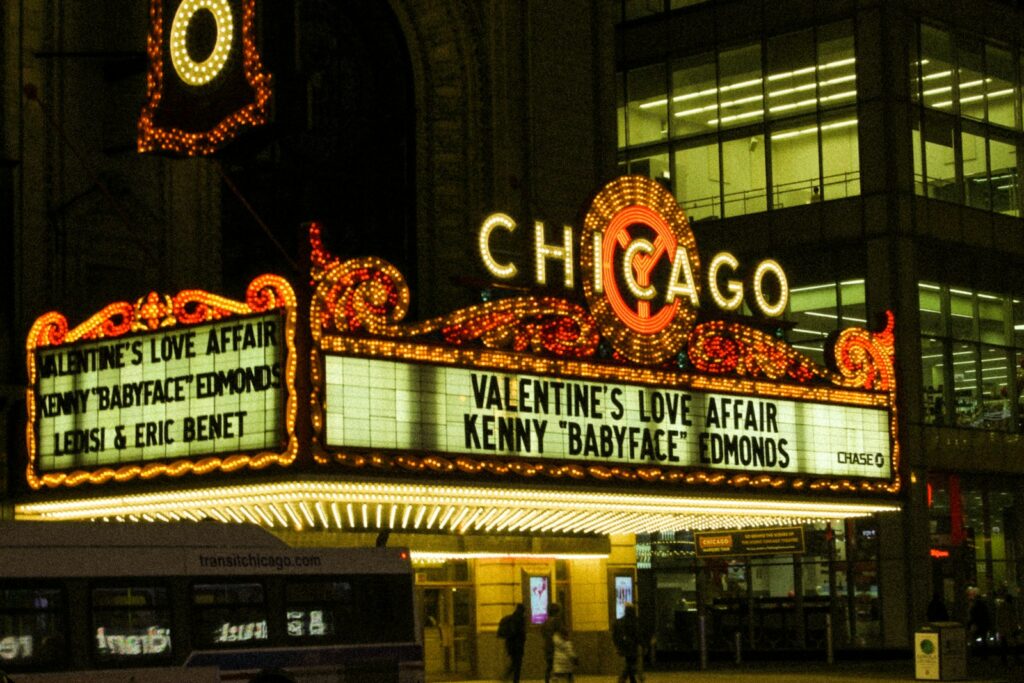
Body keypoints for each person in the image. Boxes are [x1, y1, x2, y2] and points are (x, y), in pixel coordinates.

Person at [497, 603, 527, 683]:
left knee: (514, 662)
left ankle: (507, 676)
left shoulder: (510, 618)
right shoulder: (520, 619)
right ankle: (513, 679)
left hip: (510, 645)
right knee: (517, 664)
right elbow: (521, 632)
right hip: (518, 645)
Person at [613, 604, 640, 683]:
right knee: (630, 665)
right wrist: (642, 644)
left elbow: (615, 635)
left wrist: (617, 645)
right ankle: (622, 679)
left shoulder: (619, 621)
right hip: (631, 648)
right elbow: (637, 635)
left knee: (629, 664)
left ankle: (632, 680)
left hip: (623, 647)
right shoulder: (633, 621)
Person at [994, 591, 1021, 664]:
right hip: (1011, 628)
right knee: (1014, 644)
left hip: (1003, 629)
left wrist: (998, 627)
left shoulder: (1000, 608)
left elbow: (998, 619)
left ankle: (1004, 659)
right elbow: (1013, 619)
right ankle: (1016, 658)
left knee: (1004, 644)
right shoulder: (1011, 608)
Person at [542, 603, 565, 683]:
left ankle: (547, 681)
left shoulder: (545, 622)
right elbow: (562, 631)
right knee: (558, 667)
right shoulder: (557, 621)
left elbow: (543, 633)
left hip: (547, 646)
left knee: (549, 666)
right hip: (556, 647)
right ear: (556, 612)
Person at [968, 588, 992, 659]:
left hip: (978, 624)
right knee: (984, 640)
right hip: (983, 624)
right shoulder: (984, 606)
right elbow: (987, 615)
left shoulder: (975, 606)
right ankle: (984, 654)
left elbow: (973, 615)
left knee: (975, 638)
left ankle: (977, 653)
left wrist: (970, 623)